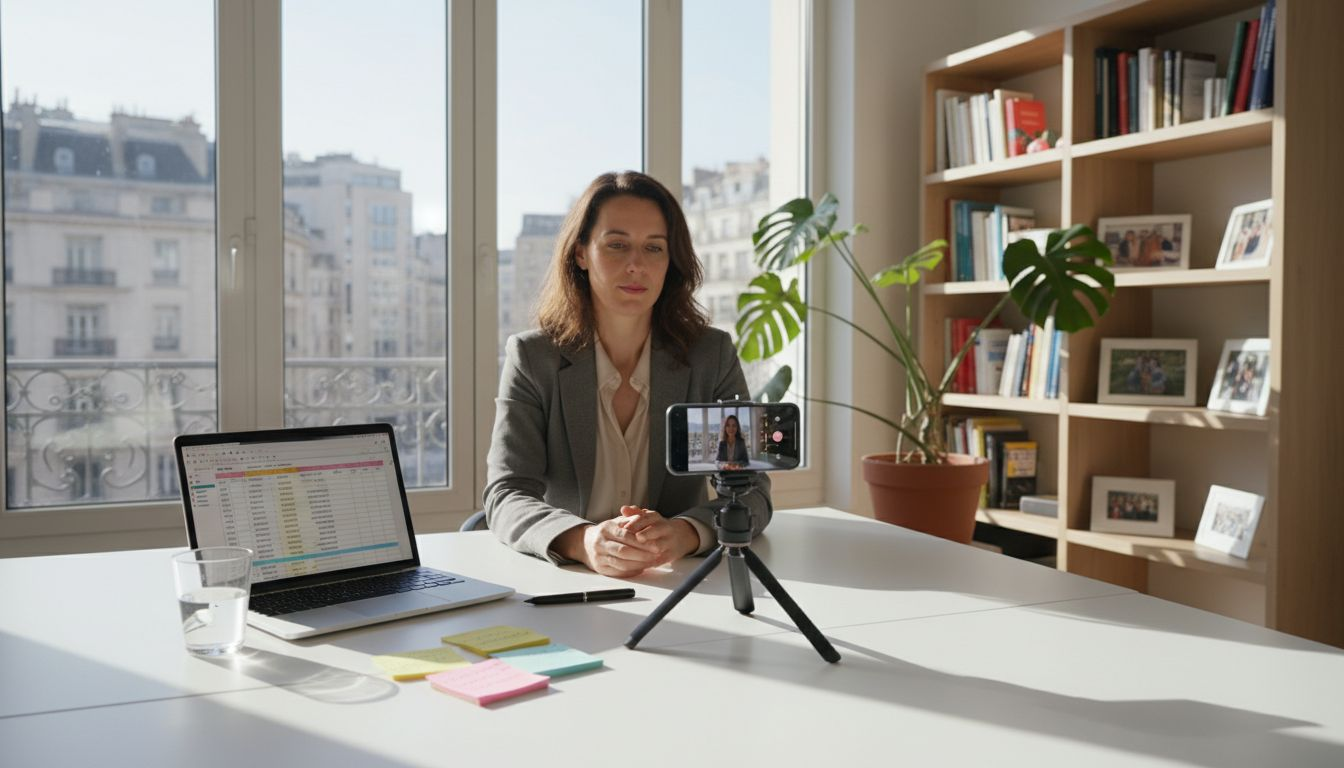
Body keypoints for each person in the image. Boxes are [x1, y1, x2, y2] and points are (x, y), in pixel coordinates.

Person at [483, 171, 772, 578]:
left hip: (680, 580)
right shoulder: (533, 357)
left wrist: (685, 533)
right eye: (617, 245)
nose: (637, 265)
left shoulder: (712, 354)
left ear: (671, 261)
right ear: (581, 253)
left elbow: (753, 492)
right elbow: (506, 493)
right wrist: (582, 541)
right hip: (565, 581)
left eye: (654, 248)